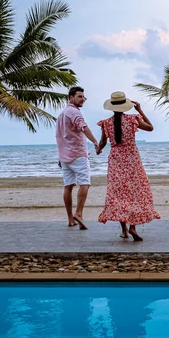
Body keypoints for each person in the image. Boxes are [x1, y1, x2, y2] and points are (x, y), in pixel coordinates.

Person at [96, 91, 160, 241]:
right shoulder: (133, 119)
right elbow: (150, 128)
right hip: (132, 160)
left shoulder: (106, 123)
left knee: (119, 196)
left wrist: (98, 149)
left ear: (111, 107)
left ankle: (124, 230)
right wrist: (140, 110)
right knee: (134, 193)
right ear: (126, 106)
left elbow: (103, 143)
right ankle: (132, 227)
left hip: (116, 160)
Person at [56, 86, 99, 230]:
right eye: (79, 96)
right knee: (85, 183)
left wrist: (60, 157)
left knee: (68, 186)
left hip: (65, 156)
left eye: (83, 97)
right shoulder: (74, 112)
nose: (83, 99)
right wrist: (95, 141)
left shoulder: (62, 114)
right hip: (78, 154)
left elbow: (60, 137)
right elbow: (84, 127)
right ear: (71, 98)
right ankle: (79, 213)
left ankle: (70, 219)